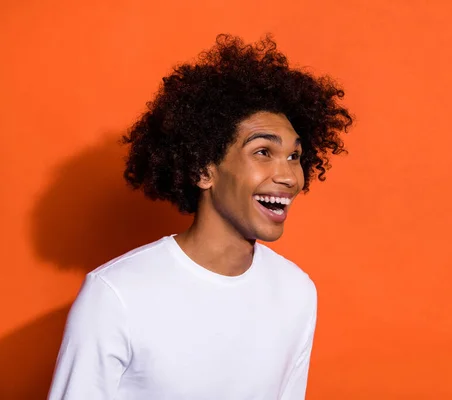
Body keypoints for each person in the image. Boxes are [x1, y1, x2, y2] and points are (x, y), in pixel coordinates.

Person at [47, 34, 352, 400]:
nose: (289, 176)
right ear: (203, 170)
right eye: (263, 152)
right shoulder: (116, 295)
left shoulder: (295, 291)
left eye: (293, 156)